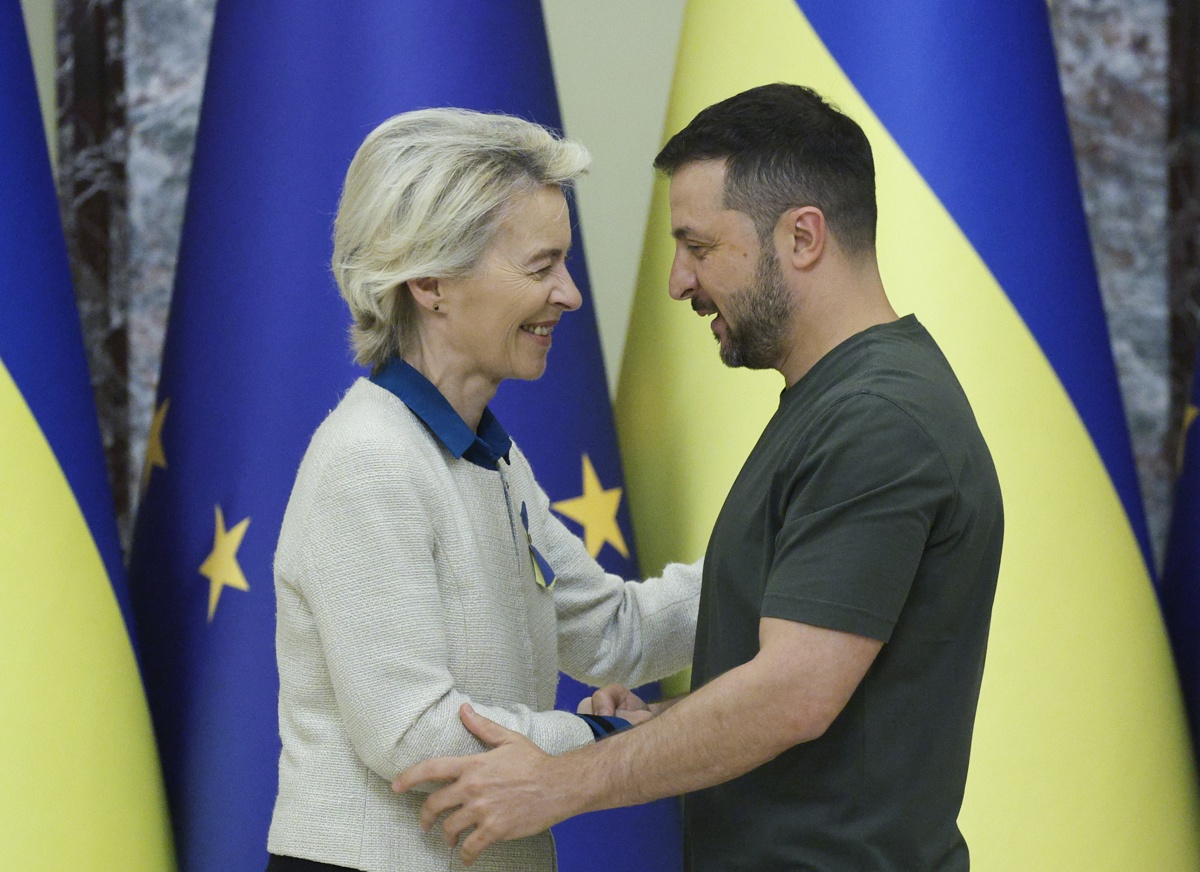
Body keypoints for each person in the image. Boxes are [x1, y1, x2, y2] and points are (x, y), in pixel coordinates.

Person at [394, 83, 1004, 871]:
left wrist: (559, 783)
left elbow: (793, 694)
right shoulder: (836, 403)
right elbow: (818, 686)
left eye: (701, 247)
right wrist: (656, 726)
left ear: (803, 237)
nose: (679, 281)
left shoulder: (877, 421)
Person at [265, 108, 701, 872]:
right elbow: (415, 733)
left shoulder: (484, 459)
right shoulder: (368, 458)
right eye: (541, 267)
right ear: (430, 280)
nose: (569, 294)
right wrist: (614, 740)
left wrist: (778, 566)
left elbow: (613, 631)